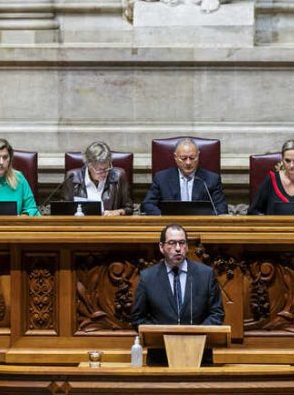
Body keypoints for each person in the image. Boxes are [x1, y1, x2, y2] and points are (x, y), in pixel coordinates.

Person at [131, 224, 224, 366]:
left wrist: (196, 335)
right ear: (161, 247)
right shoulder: (147, 277)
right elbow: (138, 318)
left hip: (199, 355)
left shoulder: (205, 274)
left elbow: (217, 313)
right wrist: (161, 334)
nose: (178, 248)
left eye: (182, 243)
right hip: (161, 357)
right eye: (172, 243)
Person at [141, 138, 228, 215]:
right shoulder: (161, 178)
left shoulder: (212, 179)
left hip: (200, 224)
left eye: (192, 158)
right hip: (170, 225)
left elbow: (221, 209)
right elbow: (147, 204)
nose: (188, 163)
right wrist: (164, 217)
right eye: (183, 158)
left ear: (198, 156)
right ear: (175, 157)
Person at [61, 141, 132, 216]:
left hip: (109, 222)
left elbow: (129, 208)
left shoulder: (119, 176)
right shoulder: (72, 178)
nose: (104, 173)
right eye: (99, 170)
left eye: (107, 169)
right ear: (89, 166)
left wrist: (117, 212)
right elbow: (64, 209)